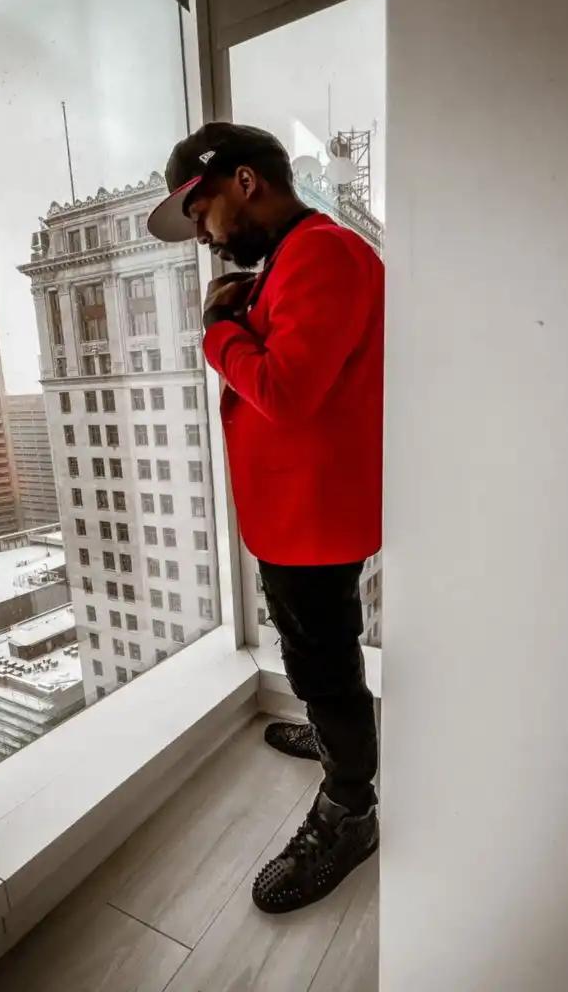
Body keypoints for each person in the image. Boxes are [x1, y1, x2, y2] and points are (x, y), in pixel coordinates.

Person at [147, 122, 383, 914]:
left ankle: (349, 810)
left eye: (201, 210)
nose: (203, 234)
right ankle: (338, 740)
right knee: (313, 651)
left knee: (324, 659)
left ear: (245, 181)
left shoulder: (323, 252)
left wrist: (218, 331)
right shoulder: (293, 260)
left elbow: (285, 390)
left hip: (313, 516)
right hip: (297, 512)